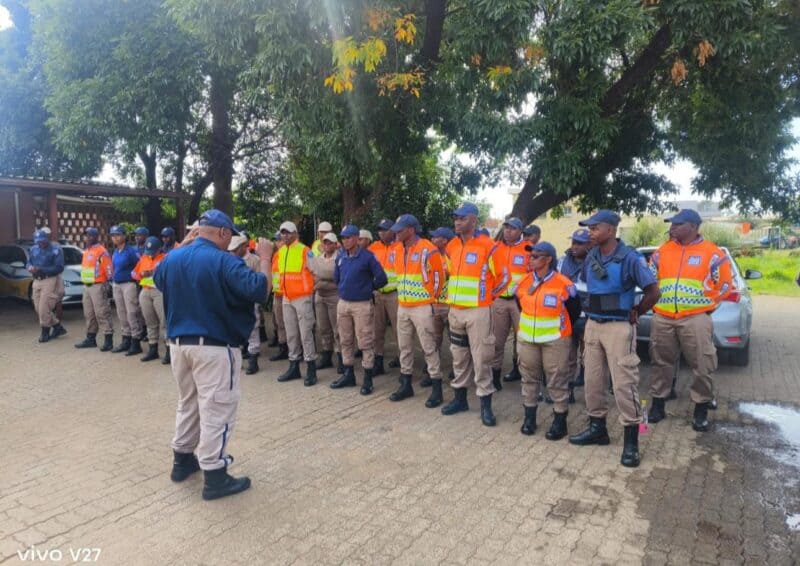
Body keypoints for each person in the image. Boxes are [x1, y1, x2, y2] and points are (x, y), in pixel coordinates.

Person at [154, 209, 272, 501]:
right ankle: (215, 475)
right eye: (229, 234)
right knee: (217, 407)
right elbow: (259, 290)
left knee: (189, 403)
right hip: (214, 348)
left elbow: (158, 278)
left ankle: (182, 461)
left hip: (179, 346)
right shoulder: (224, 260)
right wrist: (267, 258)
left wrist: (182, 244)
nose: (230, 240)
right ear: (221, 232)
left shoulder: (172, 259)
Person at [568, 210, 660, 468]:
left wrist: (637, 312)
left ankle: (633, 440)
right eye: (589, 228)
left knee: (625, 384)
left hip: (619, 327)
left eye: (595, 228)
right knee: (592, 380)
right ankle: (597, 429)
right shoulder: (592, 255)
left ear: (610, 230)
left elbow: (654, 291)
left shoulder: (629, 258)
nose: (590, 232)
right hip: (593, 325)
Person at [648, 209, 733, 432]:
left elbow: (724, 285)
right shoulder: (662, 251)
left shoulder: (712, 253)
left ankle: (701, 408)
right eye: (671, 224)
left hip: (695, 318)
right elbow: (650, 278)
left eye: (677, 224)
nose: (672, 228)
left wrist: (707, 306)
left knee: (702, 364)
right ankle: (658, 405)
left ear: (693, 227)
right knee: (660, 362)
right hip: (663, 316)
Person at [441, 202, 509, 426]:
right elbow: (450, 274)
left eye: (461, 218)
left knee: (482, 358)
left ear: (473, 220)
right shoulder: (451, 246)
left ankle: (485, 406)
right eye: (455, 218)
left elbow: (504, 277)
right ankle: (460, 399)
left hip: (478, 312)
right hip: (456, 312)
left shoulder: (488, 246)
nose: (457, 222)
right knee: (458, 356)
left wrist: (488, 297)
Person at [515, 242, 581, 438]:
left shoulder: (564, 284)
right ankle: (529, 418)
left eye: (536, 256)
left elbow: (574, 311)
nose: (531, 259)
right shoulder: (524, 282)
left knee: (557, 379)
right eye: (531, 255)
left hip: (555, 341)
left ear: (549, 259)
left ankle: (560, 421)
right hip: (527, 339)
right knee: (528, 378)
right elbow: (521, 306)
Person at [387, 214, 446, 407]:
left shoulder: (428, 249)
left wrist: (432, 300)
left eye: (400, 229)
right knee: (404, 347)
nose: (396, 233)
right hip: (403, 306)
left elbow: (438, 278)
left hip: (421, 307)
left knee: (429, 347)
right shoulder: (396, 249)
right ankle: (406, 384)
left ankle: (437, 387)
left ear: (411, 230)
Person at [330, 224, 388, 394]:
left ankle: (368, 378)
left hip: (362, 304)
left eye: (348, 237)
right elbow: (336, 277)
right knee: (345, 339)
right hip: (344, 303)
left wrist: (367, 288)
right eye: (343, 238)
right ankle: (348, 374)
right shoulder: (341, 257)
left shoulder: (368, 257)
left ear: (356, 238)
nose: (345, 241)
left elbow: (382, 278)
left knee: (365, 341)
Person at [275, 221, 318, 386]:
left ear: (295, 233)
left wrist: (309, 291)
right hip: (287, 298)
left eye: (287, 233)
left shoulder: (304, 250)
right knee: (291, 333)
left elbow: (316, 271)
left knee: (306, 333)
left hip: (302, 298)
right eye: (282, 233)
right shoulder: (281, 251)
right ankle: (294, 366)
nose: (284, 236)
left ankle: (311, 368)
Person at [490, 217, 530, 389]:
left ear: (520, 231)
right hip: (499, 301)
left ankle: (523, 377)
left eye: (512, 228)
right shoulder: (495, 248)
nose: (508, 231)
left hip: (519, 303)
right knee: (497, 342)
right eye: (506, 228)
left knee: (522, 342)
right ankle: (495, 378)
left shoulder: (528, 249)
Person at [229, 234, 267, 375]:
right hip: (234, 300)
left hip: (249, 300)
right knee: (234, 330)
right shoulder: (229, 260)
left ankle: (253, 360)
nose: (232, 252)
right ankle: (236, 360)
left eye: (234, 249)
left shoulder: (254, 260)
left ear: (242, 247)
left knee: (253, 329)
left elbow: (259, 281)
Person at [559, 229, 591, 391]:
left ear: (589, 244)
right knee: (567, 356)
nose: (575, 246)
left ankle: (585, 380)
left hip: (588, 317)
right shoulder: (562, 260)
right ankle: (568, 389)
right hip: (567, 316)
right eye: (573, 242)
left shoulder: (595, 261)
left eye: (579, 243)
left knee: (588, 355)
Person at [368, 219, 402, 375]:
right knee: (377, 330)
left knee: (399, 330)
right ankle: (378, 360)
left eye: (385, 229)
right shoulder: (373, 248)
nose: (381, 232)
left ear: (393, 231)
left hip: (395, 294)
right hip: (378, 294)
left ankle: (403, 360)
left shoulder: (400, 247)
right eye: (379, 229)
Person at [75, 227, 114, 351]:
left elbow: (108, 269)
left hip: (98, 285)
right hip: (87, 286)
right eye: (86, 236)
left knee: (101, 312)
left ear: (96, 237)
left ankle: (108, 339)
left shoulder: (101, 251)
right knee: (89, 313)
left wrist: (108, 285)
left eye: (90, 236)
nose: (87, 238)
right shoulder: (86, 251)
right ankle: (91, 338)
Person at [109, 225, 144, 356]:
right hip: (117, 284)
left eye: (117, 235)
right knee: (121, 313)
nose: (115, 237)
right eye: (112, 235)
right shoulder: (116, 251)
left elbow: (140, 265)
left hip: (129, 284)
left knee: (132, 312)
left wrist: (137, 279)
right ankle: (126, 338)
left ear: (124, 236)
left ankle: (136, 341)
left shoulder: (131, 251)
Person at [26, 229, 66, 343]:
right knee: (38, 308)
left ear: (47, 239)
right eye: (38, 241)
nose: (40, 243)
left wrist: (41, 269)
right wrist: (29, 267)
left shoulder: (55, 249)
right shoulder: (33, 249)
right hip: (36, 280)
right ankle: (58, 327)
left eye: (42, 241)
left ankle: (45, 332)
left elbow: (59, 267)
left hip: (50, 279)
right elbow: (28, 262)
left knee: (44, 308)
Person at [132, 236, 167, 363]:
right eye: (148, 251)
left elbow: (169, 274)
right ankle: (153, 349)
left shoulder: (165, 258)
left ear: (159, 249)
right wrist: (140, 274)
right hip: (145, 290)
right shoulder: (143, 258)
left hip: (160, 291)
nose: (150, 254)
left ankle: (169, 350)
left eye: (153, 251)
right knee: (150, 321)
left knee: (164, 321)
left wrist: (152, 272)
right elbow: (133, 273)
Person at [310, 232, 341, 372]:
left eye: (330, 243)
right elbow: (313, 275)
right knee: (323, 328)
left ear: (336, 244)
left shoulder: (340, 258)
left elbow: (338, 277)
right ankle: (327, 356)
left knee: (338, 328)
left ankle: (341, 357)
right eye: (325, 242)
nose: (327, 245)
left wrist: (323, 278)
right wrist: (326, 278)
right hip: (320, 297)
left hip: (335, 296)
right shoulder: (318, 258)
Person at [429, 227, 454, 380]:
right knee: (434, 338)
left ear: (444, 240)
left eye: (435, 237)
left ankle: (457, 368)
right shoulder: (432, 257)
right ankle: (432, 369)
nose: (432, 240)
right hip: (434, 304)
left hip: (450, 305)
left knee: (455, 341)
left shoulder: (452, 257)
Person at [269, 233, 290, 361]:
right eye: (276, 240)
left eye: (279, 240)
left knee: (290, 323)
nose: (277, 242)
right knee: (280, 322)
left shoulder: (288, 254)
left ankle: (294, 348)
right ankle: (283, 347)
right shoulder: (276, 255)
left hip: (288, 293)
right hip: (277, 293)